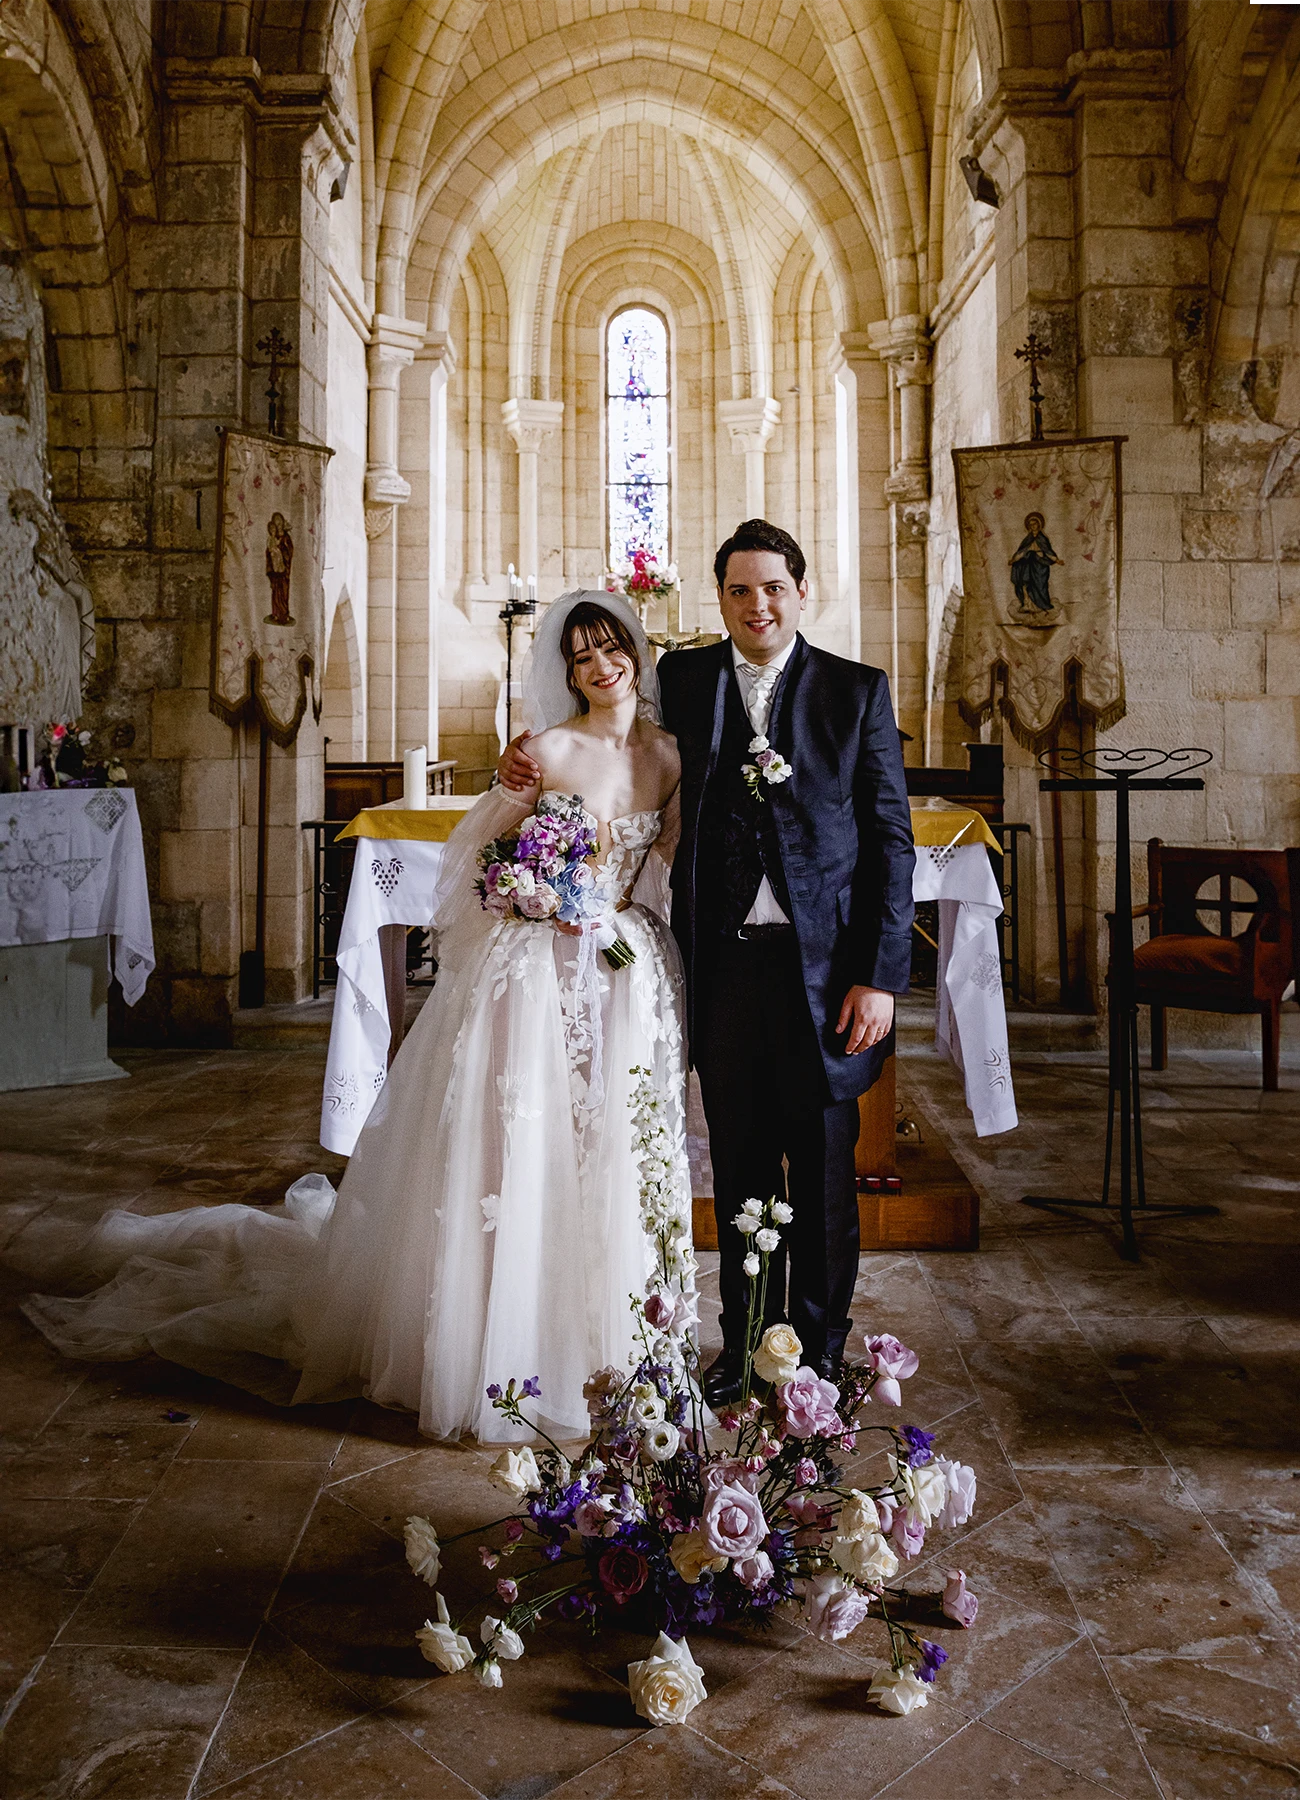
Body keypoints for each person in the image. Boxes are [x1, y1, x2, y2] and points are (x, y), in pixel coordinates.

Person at [15, 593, 690, 1444]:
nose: (602, 666)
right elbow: (478, 860)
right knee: (524, 1144)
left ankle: (610, 1336)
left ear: (636, 651)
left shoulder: (669, 754)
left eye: (613, 648)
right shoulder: (543, 751)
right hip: (537, 971)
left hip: (624, 972)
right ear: (567, 670)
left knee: (610, 1148)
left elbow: (662, 858)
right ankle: (503, 1344)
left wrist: (618, 919)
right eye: (584, 655)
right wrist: (532, 894)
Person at [501, 521, 914, 1404]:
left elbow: (890, 840)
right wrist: (524, 759)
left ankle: (821, 1347)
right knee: (739, 1166)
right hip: (724, 973)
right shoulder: (686, 682)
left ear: (802, 592)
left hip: (826, 978)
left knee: (826, 1170)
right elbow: (607, 727)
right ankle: (748, 1343)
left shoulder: (855, 691)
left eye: (772, 587)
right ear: (720, 599)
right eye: (738, 590)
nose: (757, 604)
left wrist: (878, 975)